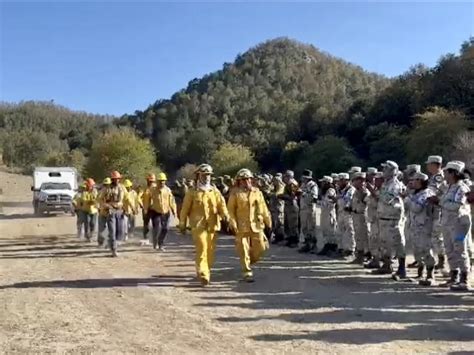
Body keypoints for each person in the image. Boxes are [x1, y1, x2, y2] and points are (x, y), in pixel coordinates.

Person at [179, 164, 228, 286]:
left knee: (210, 251)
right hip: (198, 225)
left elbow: (221, 206)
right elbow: (185, 209)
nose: (206, 177)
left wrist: (226, 217)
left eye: (208, 175)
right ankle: (203, 273)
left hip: (212, 225)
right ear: (198, 176)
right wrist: (182, 224)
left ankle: (204, 269)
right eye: (204, 175)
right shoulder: (192, 192)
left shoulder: (214, 191)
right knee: (202, 247)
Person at [430, 161, 472, 291]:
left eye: (447, 172)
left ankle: (464, 280)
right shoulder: (449, 187)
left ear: (453, 173)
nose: (445, 174)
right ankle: (454, 276)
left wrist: (440, 202)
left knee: (460, 250)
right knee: (450, 250)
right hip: (448, 223)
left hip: (458, 224)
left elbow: (457, 206)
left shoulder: (461, 188)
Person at [227, 168, 272, 282]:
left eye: (248, 179)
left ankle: (249, 260)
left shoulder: (257, 192)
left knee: (261, 248)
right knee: (243, 248)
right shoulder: (235, 193)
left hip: (256, 225)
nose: (246, 181)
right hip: (241, 226)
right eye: (243, 179)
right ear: (239, 181)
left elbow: (263, 208)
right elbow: (230, 210)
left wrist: (268, 221)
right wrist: (232, 223)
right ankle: (246, 271)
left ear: (251, 180)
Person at [375, 161, 407, 280]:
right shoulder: (386, 184)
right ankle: (387, 265)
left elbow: (387, 198)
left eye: (386, 169)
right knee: (385, 243)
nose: (383, 171)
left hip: (393, 219)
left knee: (398, 243)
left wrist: (376, 193)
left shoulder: (395, 185)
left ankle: (402, 269)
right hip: (384, 217)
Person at [406, 173, 437, 286]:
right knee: (417, 250)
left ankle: (430, 274)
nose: (412, 182)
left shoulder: (426, 194)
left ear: (420, 181)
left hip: (424, 226)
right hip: (415, 226)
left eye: (414, 180)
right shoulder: (416, 193)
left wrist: (409, 198)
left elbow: (416, 208)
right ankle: (420, 273)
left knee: (426, 250)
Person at [425, 155, 448, 274]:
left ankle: (441, 260)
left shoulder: (438, 177)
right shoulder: (434, 177)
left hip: (438, 210)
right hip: (434, 210)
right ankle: (440, 259)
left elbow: (433, 192)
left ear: (435, 165)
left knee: (436, 237)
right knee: (435, 237)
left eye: (429, 164)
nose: (427, 166)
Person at [148, 172, 177, 251]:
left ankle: (160, 243)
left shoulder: (167, 190)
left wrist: (174, 210)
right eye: (160, 181)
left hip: (166, 212)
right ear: (157, 181)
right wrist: (146, 208)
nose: (162, 182)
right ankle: (156, 243)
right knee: (157, 228)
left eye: (163, 181)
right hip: (156, 212)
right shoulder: (153, 190)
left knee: (166, 228)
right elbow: (148, 199)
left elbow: (171, 201)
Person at [100, 171, 125, 257]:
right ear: (112, 179)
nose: (116, 180)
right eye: (115, 179)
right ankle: (114, 250)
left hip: (119, 211)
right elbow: (100, 200)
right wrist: (107, 206)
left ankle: (114, 245)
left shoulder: (122, 188)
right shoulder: (106, 189)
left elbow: (125, 199)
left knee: (120, 231)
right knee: (112, 231)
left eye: (118, 179)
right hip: (110, 212)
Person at [365, 171, 384, 269]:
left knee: (379, 240)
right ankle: (375, 259)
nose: (375, 181)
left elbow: (380, 200)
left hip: (379, 220)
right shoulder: (376, 190)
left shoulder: (383, 191)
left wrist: (372, 191)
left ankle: (380, 260)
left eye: (377, 179)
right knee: (373, 240)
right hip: (373, 219)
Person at [351, 172, 370, 264]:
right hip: (355, 215)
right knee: (358, 236)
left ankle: (364, 256)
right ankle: (359, 256)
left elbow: (366, 202)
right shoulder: (356, 191)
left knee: (363, 237)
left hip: (362, 215)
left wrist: (362, 195)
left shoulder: (364, 192)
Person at [298, 169, 319, 253]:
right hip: (303, 208)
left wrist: (303, 194)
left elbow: (314, 197)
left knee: (311, 227)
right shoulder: (303, 185)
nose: (303, 179)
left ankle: (313, 245)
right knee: (304, 227)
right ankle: (307, 244)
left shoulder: (313, 185)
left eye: (304, 178)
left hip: (310, 209)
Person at [317, 176, 338, 256]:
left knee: (330, 231)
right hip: (324, 212)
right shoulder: (324, 191)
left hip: (329, 213)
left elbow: (328, 203)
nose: (322, 184)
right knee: (324, 230)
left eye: (323, 182)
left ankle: (331, 247)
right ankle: (326, 246)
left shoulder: (330, 190)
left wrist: (319, 202)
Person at [336, 173, 355, 257]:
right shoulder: (340, 189)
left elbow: (348, 199)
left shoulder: (350, 189)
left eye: (340, 180)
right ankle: (341, 248)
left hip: (348, 213)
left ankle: (350, 249)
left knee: (350, 231)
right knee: (340, 231)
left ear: (345, 181)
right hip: (340, 212)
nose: (338, 182)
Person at [280, 170, 300, 248]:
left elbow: (293, 197)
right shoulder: (288, 184)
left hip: (292, 205)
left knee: (293, 224)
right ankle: (290, 239)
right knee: (288, 223)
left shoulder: (292, 184)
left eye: (286, 176)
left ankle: (295, 240)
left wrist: (283, 196)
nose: (284, 178)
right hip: (288, 205)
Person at [138, 173, 156, 245]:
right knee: (146, 224)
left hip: (154, 209)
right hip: (146, 209)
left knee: (156, 224)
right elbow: (138, 197)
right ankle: (146, 238)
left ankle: (155, 239)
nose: (150, 182)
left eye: (152, 181)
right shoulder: (144, 189)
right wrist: (141, 205)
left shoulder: (156, 188)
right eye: (149, 180)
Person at [80, 178, 98, 242]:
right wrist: (91, 201)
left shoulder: (95, 191)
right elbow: (84, 200)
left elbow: (96, 198)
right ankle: (87, 236)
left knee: (93, 223)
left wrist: (92, 201)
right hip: (86, 210)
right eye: (90, 185)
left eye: (92, 185)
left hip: (94, 211)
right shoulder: (84, 192)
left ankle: (92, 235)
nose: (91, 186)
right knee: (87, 223)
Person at [270, 174, 285, 244]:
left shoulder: (281, 187)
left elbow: (277, 194)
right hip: (274, 207)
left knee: (279, 222)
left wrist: (271, 194)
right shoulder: (274, 187)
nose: (273, 182)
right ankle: (276, 236)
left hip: (279, 207)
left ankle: (280, 237)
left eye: (275, 181)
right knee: (275, 223)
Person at [97, 177, 111, 247]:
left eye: (108, 184)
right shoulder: (101, 192)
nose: (107, 186)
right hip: (102, 213)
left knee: (110, 228)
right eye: (106, 184)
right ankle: (101, 242)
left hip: (110, 213)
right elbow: (98, 201)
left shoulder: (112, 191)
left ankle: (107, 242)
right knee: (102, 229)